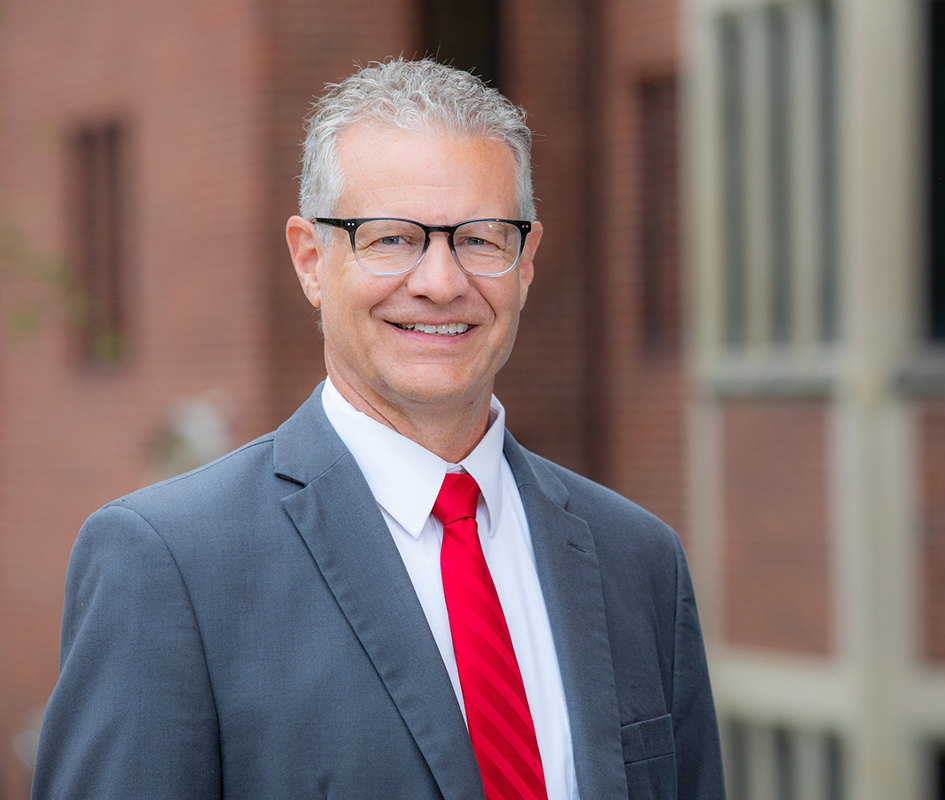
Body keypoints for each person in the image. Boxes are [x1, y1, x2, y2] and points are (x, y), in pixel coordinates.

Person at [32, 59, 725, 800]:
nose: (440, 281)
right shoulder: (169, 566)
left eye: (482, 239)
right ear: (311, 260)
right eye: (391, 238)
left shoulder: (638, 560)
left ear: (526, 263)